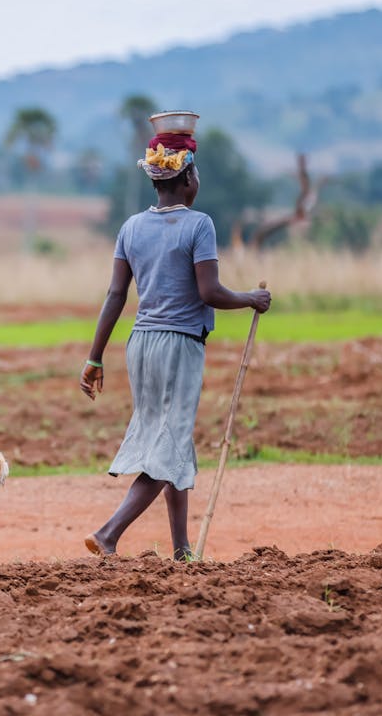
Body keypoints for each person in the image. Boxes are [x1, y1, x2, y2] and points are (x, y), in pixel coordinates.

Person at [79, 113, 270, 561]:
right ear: (186, 180)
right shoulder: (199, 224)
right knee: (168, 445)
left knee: (171, 441)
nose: (198, 180)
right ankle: (109, 533)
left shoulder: (131, 227)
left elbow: (114, 296)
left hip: (140, 345)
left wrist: (94, 358)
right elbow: (209, 292)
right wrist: (250, 299)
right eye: (196, 172)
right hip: (179, 345)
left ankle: (182, 550)